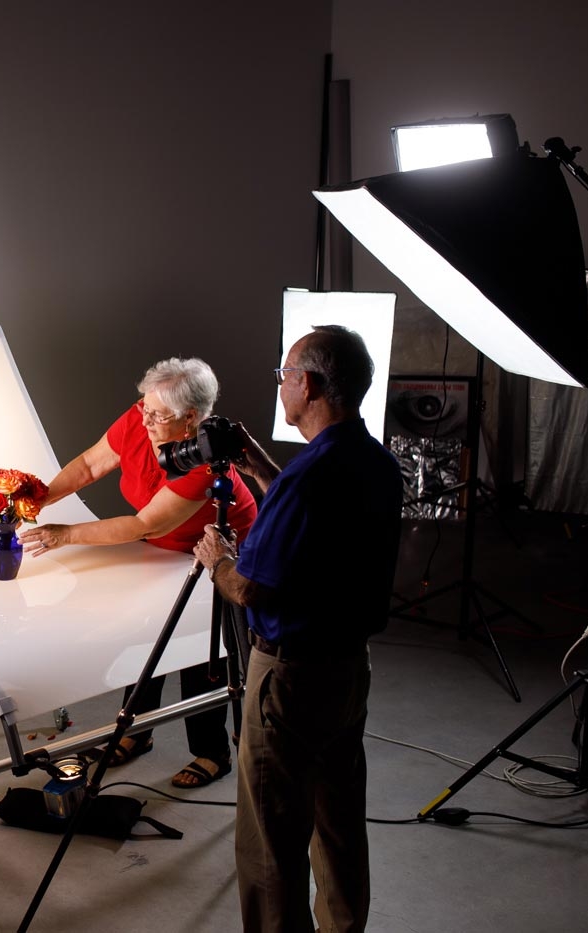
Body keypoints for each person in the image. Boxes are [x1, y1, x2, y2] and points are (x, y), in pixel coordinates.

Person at [193, 325, 402, 933]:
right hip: (346, 671)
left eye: (284, 374)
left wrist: (217, 563)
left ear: (306, 384)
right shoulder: (373, 464)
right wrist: (255, 459)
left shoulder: (309, 480)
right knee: (337, 823)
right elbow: (305, 508)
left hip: (288, 677)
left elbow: (252, 588)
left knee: (270, 844)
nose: (281, 383)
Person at [18, 357, 257, 787]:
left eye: (156, 414)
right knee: (147, 639)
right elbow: (90, 465)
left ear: (190, 419)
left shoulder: (203, 463)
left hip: (218, 553)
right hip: (163, 551)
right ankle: (135, 733)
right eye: (143, 407)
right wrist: (36, 500)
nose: (144, 418)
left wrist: (65, 533)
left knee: (200, 655)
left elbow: (145, 523)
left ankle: (211, 753)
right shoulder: (142, 415)